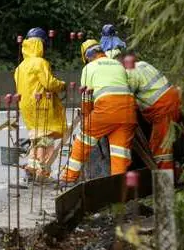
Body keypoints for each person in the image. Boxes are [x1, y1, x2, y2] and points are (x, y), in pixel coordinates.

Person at [60, 40, 137, 183]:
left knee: (82, 142)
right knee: (119, 153)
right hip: (128, 111)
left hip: (106, 110)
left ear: (87, 57)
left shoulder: (89, 68)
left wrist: (86, 117)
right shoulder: (117, 65)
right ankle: (117, 186)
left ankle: (68, 178)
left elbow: (87, 97)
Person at [14, 27, 66, 180]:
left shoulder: (20, 67)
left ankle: (32, 166)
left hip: (26, 106)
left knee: (36, 138)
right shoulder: (40, 63)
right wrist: (61, 85)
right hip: (41, 105)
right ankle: (42, 173)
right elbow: (49, 83)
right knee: (46, 140)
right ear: (41, 44)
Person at [123, 53, 181, 170]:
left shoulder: (128, 74)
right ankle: (176, 175)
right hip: (174, 99)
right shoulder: (143, 65)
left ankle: (165, 185)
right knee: (168, 143)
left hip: (163, 108)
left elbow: (126, 98)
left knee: (161, 149)